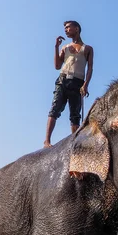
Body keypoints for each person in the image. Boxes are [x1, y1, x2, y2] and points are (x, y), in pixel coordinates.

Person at [44, 20, 94, 148]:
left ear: (76, 28)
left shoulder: (87, 49)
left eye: (68, 27)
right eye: (65, 28)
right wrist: (56, 47)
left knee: (75, 114)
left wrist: (86, 84)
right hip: (63, 80)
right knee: (55, 108)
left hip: (77, 82)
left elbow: (90, 69)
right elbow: (57, 66)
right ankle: (47, 141)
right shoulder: (65, 47)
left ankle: (74, 142)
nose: (66, 30)